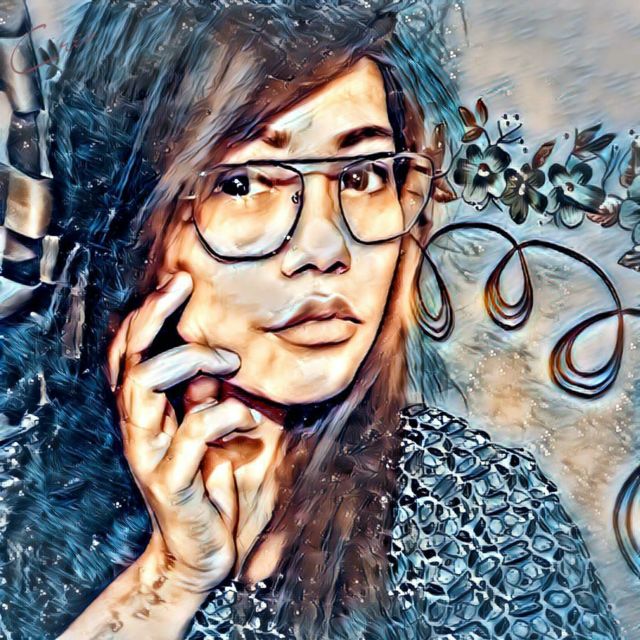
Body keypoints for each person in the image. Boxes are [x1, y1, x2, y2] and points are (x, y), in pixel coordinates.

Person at [0, 1, 623, 639]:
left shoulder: (478, 510)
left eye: (361, 175)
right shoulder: (21, 489)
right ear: (134, 224)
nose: (325, 248)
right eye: (243, 184)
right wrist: (170, 581)